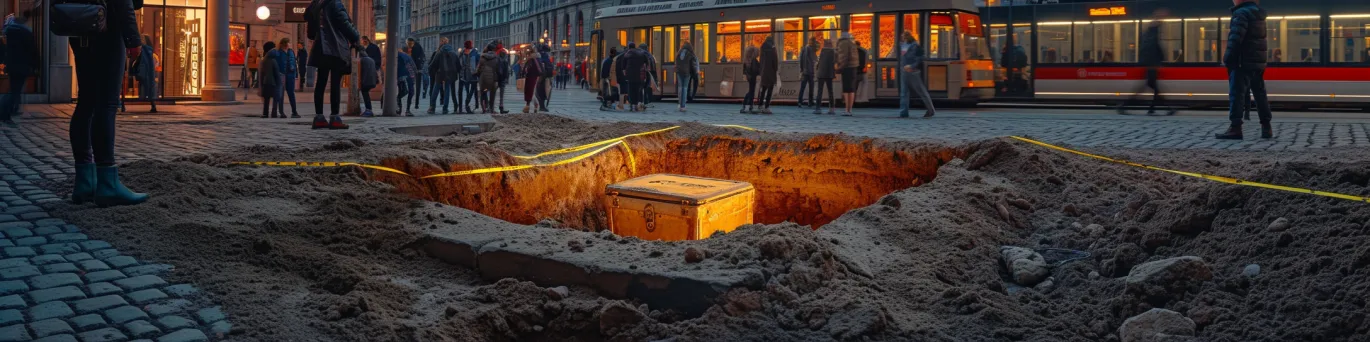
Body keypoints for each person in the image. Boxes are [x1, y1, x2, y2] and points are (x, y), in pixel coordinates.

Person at [68, 0, 149, 207]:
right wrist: (133, 39)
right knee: (106, 103)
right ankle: (107, 183)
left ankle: (85, 181)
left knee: (86, 101)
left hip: (80, 26)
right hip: (107, 27)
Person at [1216, 0, 1272, 140]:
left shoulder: (1241, 13)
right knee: (1260, 95)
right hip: (1257, 62)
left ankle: (1235, 128)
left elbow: (1235, 38)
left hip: (1242, 62)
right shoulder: (1258, 14)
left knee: (1237, 94)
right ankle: (1266, 127)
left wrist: (1227, 58)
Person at [305, 0, 360, 129]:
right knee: (335, 82)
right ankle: (335, 117)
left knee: (321, 82)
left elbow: (309, 25)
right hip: (334, 46)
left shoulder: (316, 4)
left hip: (320, 46)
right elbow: (344, 23)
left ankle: (319, 117)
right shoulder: (335, 3)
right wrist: (355, 36)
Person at [1119, 11, 1174, 116]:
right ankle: (1125, 106)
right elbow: (1154, 46)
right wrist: (1161, 58)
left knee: (1151, 86)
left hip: (1150, 63)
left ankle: (1153, 108)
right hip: (1151, 64)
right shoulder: (1153, 30)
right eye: (1162, 16)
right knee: (1152, 87)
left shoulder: (1151, 30)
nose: (1163, 19)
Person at [1, 9, 37, 127]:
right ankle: (4, 113)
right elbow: (32, 50)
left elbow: (7, 50)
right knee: (15, 91)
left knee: (14, 90)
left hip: (12, 65)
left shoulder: (10, 32)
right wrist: (35, 65)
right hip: (22, 65)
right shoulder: (26, 32)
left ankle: (7, 113)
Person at [898, 31, 935, 118]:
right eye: (903, 37)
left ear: (908, 37)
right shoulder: (902, 45)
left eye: (905, 37)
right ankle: (903, 113)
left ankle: (931, 110)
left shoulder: (915, 46)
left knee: (921, 91)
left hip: (913, 71)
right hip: (904, 71)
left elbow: (921, 58)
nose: (904, 39)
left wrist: (912, 65)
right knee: (904, 93)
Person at [129, 35, 159, 114]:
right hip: (149, 72)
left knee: (145, 86)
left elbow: (136, 61)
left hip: (145, 71)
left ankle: (146, 100)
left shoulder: (144, 50)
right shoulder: (150, 51)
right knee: (149, 87)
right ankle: (152, 104)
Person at [428, 38, 459, 114]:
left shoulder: (439, 52)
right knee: (447, 90)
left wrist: (432, 71)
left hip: (440, 73)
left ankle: (432, 107)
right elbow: (458, 65)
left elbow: (433, 63)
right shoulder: (453, 53)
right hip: (450, 74)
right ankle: (445, 108)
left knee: (436, 89)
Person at [616, 42, 648, 111]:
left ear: (629, 47)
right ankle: (636, 104)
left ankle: (632, 104)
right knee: (637, 90)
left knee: (631, 90)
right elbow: (646, 62)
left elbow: (623, 66)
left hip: (630, 76)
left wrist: (625, 73)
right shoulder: (640, 54)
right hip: (639, 75)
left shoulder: (627, 54)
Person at [273, 37, 300, 118]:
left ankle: (294, 112)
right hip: (282, 75)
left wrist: (296, 75)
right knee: (280, 94)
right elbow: (276, 65)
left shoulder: (291, 51)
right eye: (289, 42)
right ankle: (281, 112)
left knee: (291, 93)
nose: (290, 44)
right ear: (285, 43)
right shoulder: (278, 53)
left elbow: (295, 63)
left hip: (290, 75)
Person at [836, 33, 859, 116]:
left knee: (846, 90)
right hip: (853, 68)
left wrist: (839, 68)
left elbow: (843, 57)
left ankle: (847, 109)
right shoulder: (853, 44)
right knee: (851, 90)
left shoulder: (844, 43)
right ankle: (850, 109)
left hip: (847, 68)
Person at [259, 41, 283, 118]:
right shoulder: (272, 60)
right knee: (276, 98)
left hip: (266, 82)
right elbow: (275, 72)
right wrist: (279, 81)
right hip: (273, 82)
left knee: (267, 99)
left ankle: (265, 113)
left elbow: (262, 73)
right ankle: (274, 113)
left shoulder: (264, 59)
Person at [814, 39, 837, 115]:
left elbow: (818, 62)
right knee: (830, 91)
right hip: (829, 73)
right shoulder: (833, 52)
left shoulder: (821, 51)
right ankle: (832, 109)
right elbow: (835, 62)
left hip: (821, 73)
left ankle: (818, 108)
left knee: (819, 91)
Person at [758, 37, 779, 115]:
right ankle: (766, 107)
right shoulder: (773, 49)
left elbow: (761, 60)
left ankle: (760, 105)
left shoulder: (762, 48)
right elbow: (775, 61)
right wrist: (776, 70)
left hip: (764, 72)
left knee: (763, 90)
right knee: (769, 91)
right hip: (771, 72)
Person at [675, 42, 698, 112]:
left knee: (680, 88)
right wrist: (695, 73)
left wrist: (677, 70)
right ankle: (683, 106)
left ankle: (680, 103)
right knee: (685, 88)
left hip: (679, 72)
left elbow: (676, 63)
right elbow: (693, 65)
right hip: (687, 73)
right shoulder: (690, 54)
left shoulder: (678, 53)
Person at [477, 45, 500, 114]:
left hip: (484, 79)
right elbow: (498, 69)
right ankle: (491, 109)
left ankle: (483, 108)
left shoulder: (482, 57)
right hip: (493, 79)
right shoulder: (496, 58)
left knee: (483, 93)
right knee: (492, 94)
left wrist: (478, 74)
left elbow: (479, 69)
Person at [797, 36, 818, 108]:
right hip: (810, 71)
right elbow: (814, 59)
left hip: (804, 71)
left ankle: (799, 101)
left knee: (802, 87)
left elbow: (801, 60)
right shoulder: (811, 49)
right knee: (811, 87)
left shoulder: (804, 48)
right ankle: (810, 101)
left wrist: (801, 69)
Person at [357, 49, 377, 117]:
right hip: (372, 81)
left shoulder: (361, 60)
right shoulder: (371, 60)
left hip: (365, 81)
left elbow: (360, 72)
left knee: (365, 95)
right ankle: (368, 109)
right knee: (366, 95)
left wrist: (359, 82)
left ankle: (368, 110)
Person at [741, 45, 760, 114]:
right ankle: (749, 106)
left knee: (750, 91)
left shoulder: (746, 60)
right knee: (751, 92)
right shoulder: (754, 60)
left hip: (749, 77)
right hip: (753, 77)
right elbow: (756, 70)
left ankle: (745, 105)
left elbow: (745, 70)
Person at [398, 47, 416, 116]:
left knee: (402, 91)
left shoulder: (398, 56)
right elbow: (413, 67)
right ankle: (407, 110)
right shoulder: (408, 57)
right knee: (410, 92)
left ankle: (399, 109)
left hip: (401, 76)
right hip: (409, 76)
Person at [536, 44, 554, 111]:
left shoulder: (540, 55)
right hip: (543, 76)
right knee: (542, 91)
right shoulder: (544, 55)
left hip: (543, 75)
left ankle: (541, 106)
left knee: (541, 91)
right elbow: (545, 64)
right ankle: (541, 106)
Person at [408, 38, 427, 104]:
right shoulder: (418, 47)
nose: (408, 45)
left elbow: (414, 59)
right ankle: (416, 102)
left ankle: (416, 102)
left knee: (415, 85)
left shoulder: (415, 48)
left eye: (409, 43)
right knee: (418, 86)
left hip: (416, 69)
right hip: (419, 68)